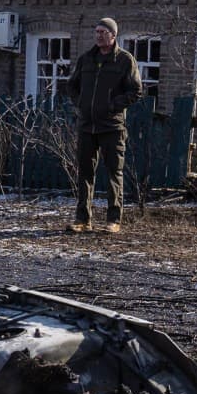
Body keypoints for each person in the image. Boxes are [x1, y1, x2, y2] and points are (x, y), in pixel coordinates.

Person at [60, 17, 143, 234]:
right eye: (96, 31)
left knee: (114, 173)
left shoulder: (124, 60)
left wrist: (112, 106)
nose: (98, 35)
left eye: (103, 32)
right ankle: (82, 219)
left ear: (113, 36)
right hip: (87, 126)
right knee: (85, 173)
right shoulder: (87, 59)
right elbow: (71, 85)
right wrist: (82, 104)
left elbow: (136, 91)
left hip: (112, 127)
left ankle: (113, 220)